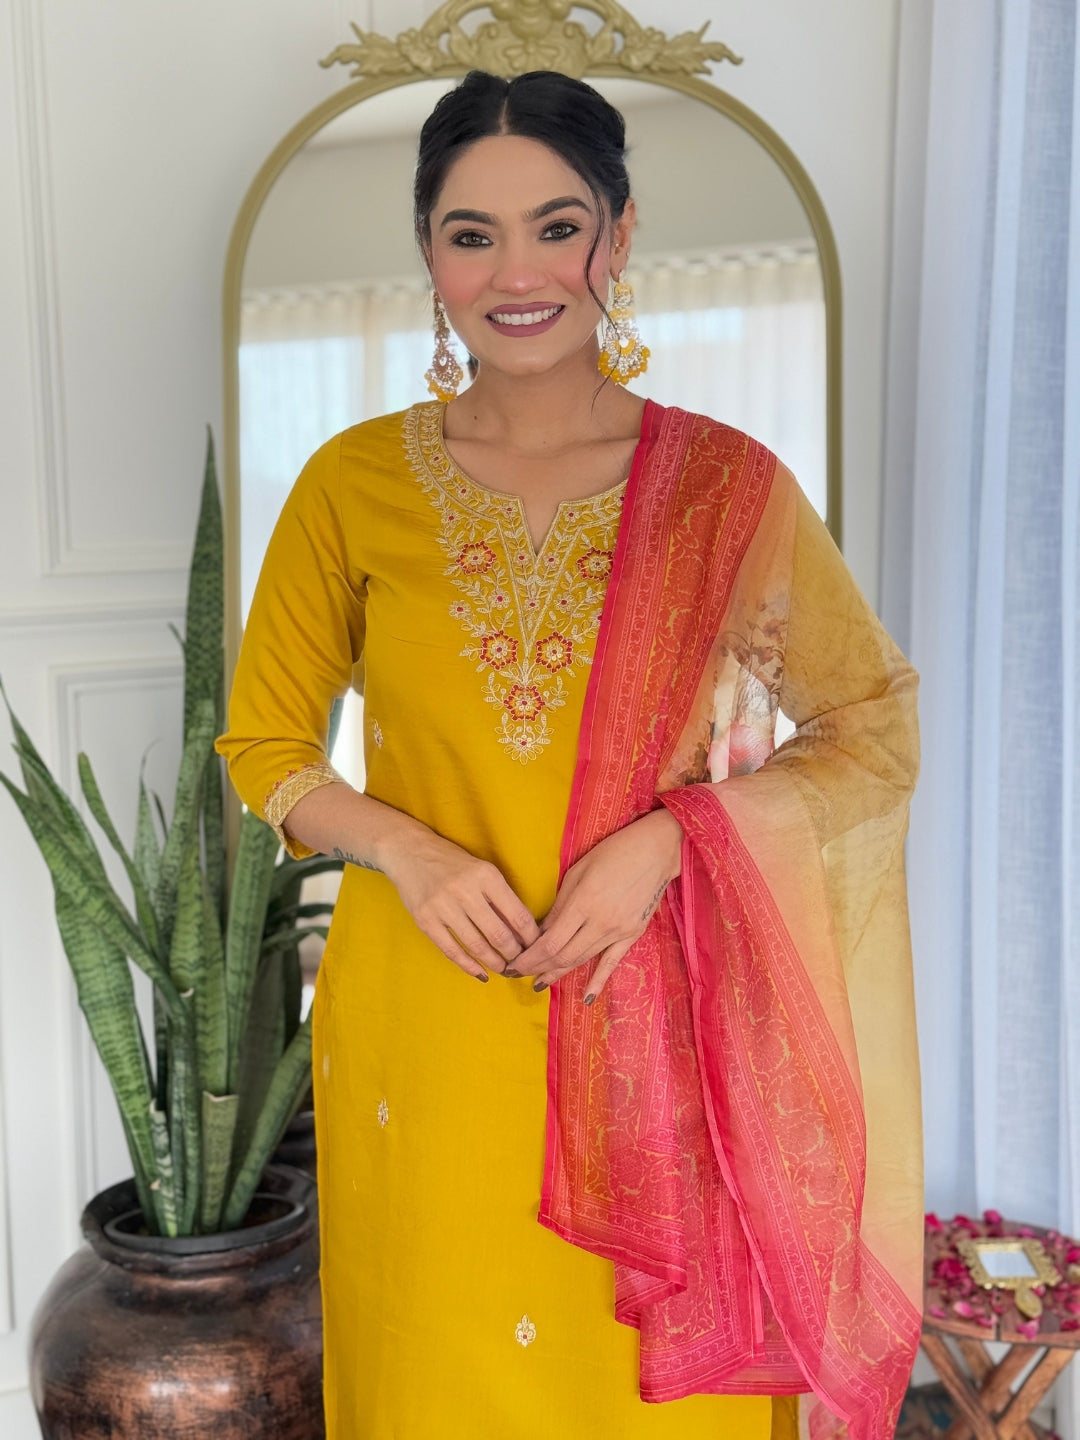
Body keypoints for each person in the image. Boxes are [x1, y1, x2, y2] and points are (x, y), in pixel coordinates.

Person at [218, 69, 922, 1440]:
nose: (516, 270)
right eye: (470, 233)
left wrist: (673, 843)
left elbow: (870, 724)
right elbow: (263, 744)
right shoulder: (350, 485)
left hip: (656, 1012)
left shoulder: (727, 486)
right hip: (425, 1013)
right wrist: (406, 848)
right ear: (428, 252)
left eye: (557, 224)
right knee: (436, 1368)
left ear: (621, 233)